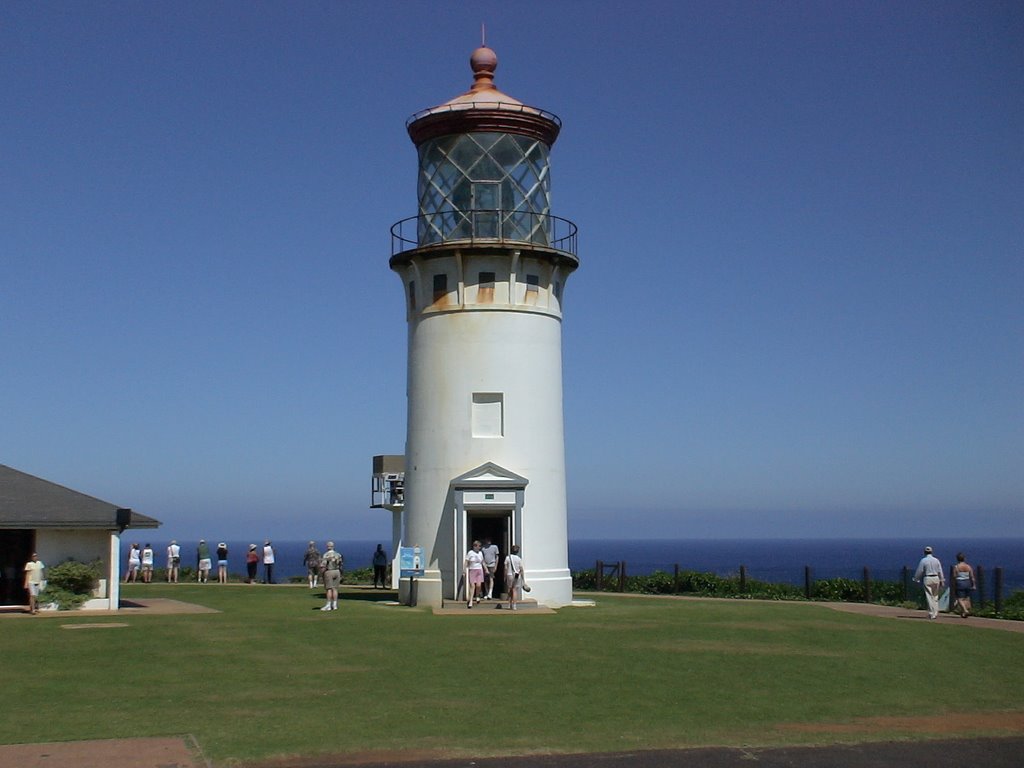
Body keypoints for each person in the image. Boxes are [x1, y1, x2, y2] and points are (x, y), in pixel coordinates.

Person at [913, 545, 945, 620]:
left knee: (929, 596)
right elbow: (940, 571)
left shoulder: (923, 560)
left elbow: (920, 571)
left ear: (924, 552)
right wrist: (942, 580)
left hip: (927, 578)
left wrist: (916, 579)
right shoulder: (936, 560)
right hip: (936, 578)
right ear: (931, 552)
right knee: (935, 596)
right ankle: (935, 612)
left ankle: (931, 613)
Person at [320, 541, 344, 611]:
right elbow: (341, 565)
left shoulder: (326, 555)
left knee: (329, 589)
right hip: (337, 571)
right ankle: (335, 605)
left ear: (327, 547)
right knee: (335, 589)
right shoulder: (338, 554)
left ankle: (328, 605)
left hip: (329, 571)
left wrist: (321, 574)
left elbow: (323, 565)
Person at [952, 552, 977, 618]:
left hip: (960, 583)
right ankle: (964, 613)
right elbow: (972, 577)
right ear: (964, 559)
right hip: (967, 582)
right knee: (966, 598)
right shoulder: (968, 567)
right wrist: (974, 585)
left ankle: (965, 610)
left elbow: (954, 577)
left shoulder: (956, 567)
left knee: (960, 599)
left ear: (957, 559)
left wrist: (954, 585)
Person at [504, 544, 525, 611]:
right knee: (515, 590)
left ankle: (509, 604)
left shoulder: (507, 558)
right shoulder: (519, 559)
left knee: (510, 589)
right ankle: (514, 605)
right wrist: (523, 579)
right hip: (516, 575)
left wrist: (504, 576)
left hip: (509, 575)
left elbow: (505, 568)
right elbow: (521, 569)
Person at [464, 540, 485, 608]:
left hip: (479, 570)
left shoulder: (480, 553)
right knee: (472, 586)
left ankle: (477, 595)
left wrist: (486, 569)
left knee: (478, 585)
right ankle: (470, 601)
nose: (479, 548)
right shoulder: (470, 553)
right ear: (475, 546)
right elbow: (466, 561)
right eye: (478, 546)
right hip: (472, 570)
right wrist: (464, 570)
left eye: (480, 546)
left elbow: (482, 562)